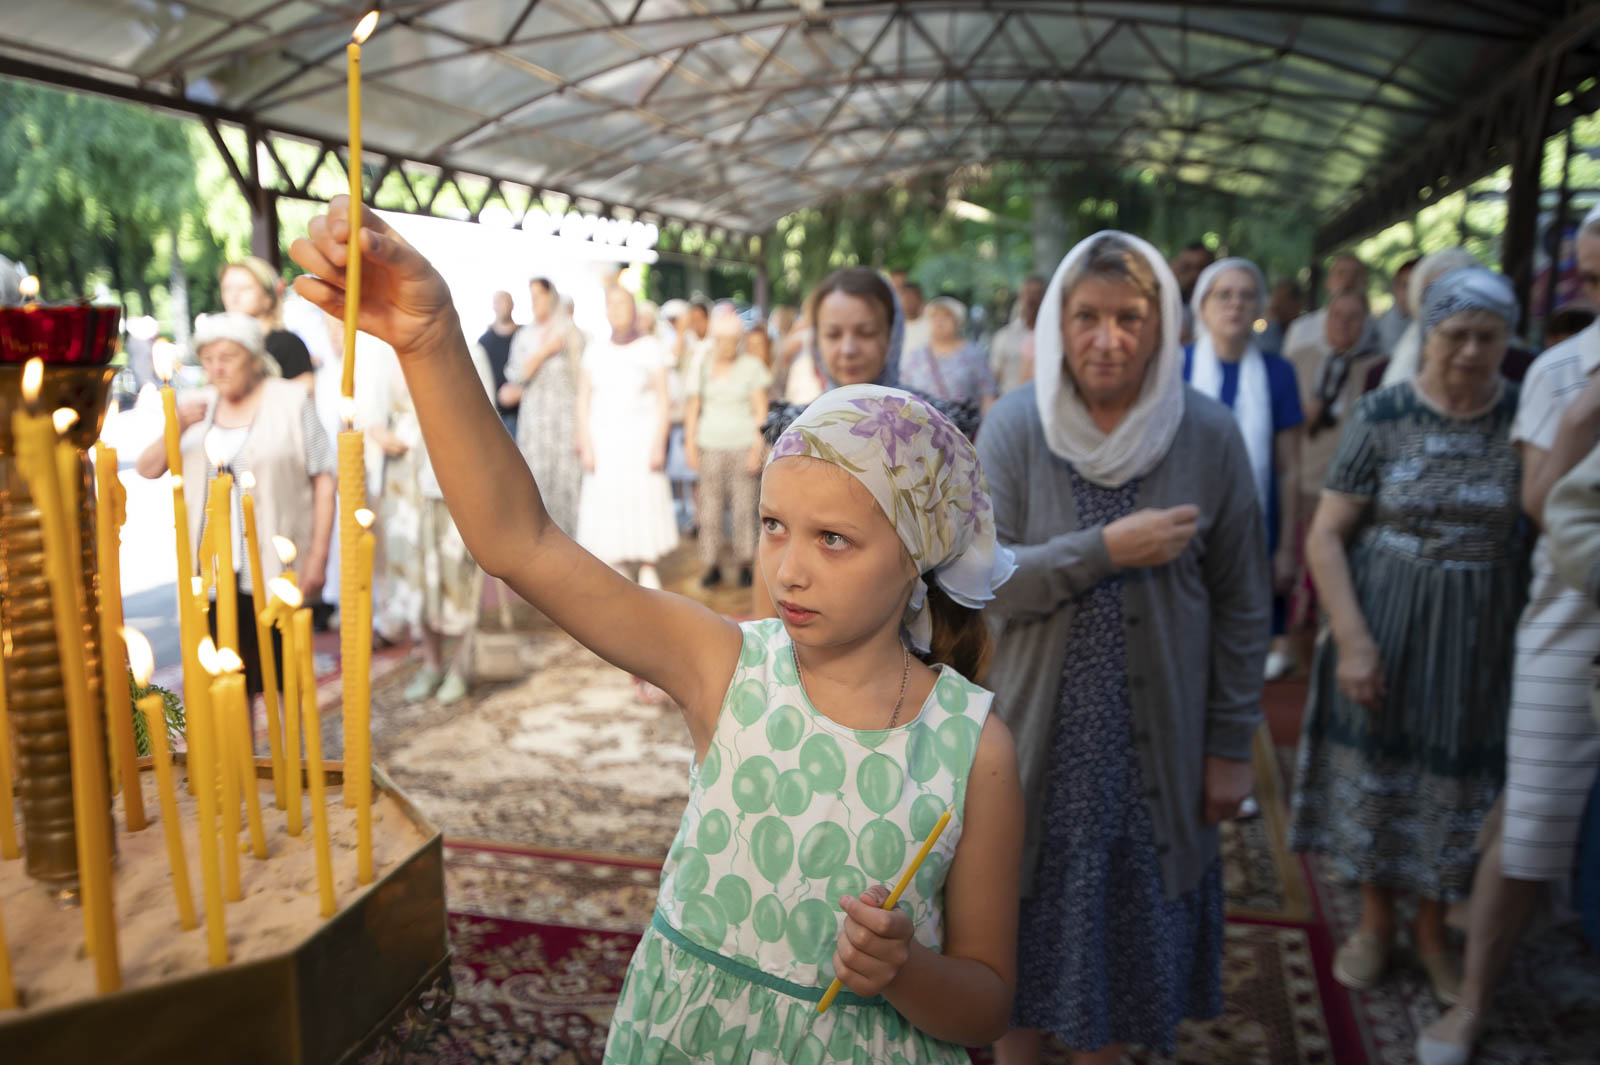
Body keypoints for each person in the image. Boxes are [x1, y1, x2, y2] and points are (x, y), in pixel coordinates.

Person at [288, 199, 1025, 1062]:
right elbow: (518, 542)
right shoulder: (726, 666)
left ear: (916, 555)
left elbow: (986, 1002)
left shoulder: (972, 746)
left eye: (833, 539)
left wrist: (905, 971)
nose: (788, 569)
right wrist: (430, 340)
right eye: (773, 525)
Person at [981, 232, 1267, 1064]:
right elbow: (981, 583)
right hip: (1033, 746)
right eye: (1088, 317)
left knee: (1119, 963)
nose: (1108, 339)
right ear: (1057, 323)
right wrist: (1104, 550)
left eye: (1130, 318)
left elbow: (1244, 602)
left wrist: (1229, 746)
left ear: (1163, 324)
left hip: (1154, 759)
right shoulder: (1016, 426)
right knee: (1013, 945)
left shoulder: (1206, 435)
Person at [1289, 268, 1528, 1007]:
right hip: (1385, 620)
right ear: (1428, 335)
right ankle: (1373, 923)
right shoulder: (1383, 413)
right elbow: (1326, 536)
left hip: (1480, 636)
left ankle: (1430, 931)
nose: (1470, 351)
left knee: (1456, 782)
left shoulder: (1521, 416)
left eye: (1487, 336)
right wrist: (1353, 639)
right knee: (1377, 773)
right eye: (1456, 334)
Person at [1417, 212, 1600, 1065]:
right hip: (1571, 621)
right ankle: (1473, 999)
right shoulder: (1564, 370)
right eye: (1591, 280)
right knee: (1531, 819)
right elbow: (1541, 504)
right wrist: (1585, 415)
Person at [134, 312, 335, 694]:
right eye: (208, 359)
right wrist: (177, 426)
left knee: (284, 676)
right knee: (227, 682)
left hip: (278, 567)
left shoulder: (290, 400)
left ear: (254, 358)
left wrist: (318, 558)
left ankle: (286, 737)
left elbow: (324, 478)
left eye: (227, 357)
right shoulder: (196, 406)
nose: (217, 368)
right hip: (212, 573)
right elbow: (147, 468)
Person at [1182, 258, 1305, 681]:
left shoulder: (1279, 373)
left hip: (1256, 528)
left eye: (1246, 295)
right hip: (1186, 527)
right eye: (1224, 294)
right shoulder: (1175, 367)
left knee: (1241, 658)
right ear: (1202, 305)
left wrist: (1286, 548)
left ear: (1260, 306)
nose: (1235, 304)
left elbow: (1289, 469)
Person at [369, 338, 496, 704]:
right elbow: (373, 414)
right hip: (403, 478)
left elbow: (485, 416)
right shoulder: (384, 353)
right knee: (413, 572)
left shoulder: (468, 349)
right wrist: (380, 434)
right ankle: (431, 662)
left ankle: (461, 665)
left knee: (456, 570)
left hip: (450, 469)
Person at [1286, 289, 1385, 641]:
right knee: (1297, 577)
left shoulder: (1379, 368)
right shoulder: (1299, 359)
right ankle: (1290, 648)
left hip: (1349, 490)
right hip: (1303, 482)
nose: (1344, 324)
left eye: (1353, 317)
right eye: (1336, 316)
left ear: (1366, 323)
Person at [576, 285, 678, 596]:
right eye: (612, 304)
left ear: (633, 309)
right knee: (609, 501)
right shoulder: (594, 350)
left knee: (643, 498)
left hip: (641, 440)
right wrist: (585, 442)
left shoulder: (650, 347)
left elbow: (664, 400)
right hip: (604, 442)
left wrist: (659, 443)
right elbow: (583, 400)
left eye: (623, 304)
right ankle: (617, 566)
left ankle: (647, 565)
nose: (617, 310)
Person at [684, 313, 770, 588]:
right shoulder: (702, 365)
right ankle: (712, 564)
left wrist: (757, 448)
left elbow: (760, 411)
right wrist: (690, 444)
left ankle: (746, 562)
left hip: (743, 445)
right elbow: (693, 408)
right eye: (722, 340)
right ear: (714, 339)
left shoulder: (752, 366)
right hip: (710, 445)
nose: (728, 346)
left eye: (733, 340)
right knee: (709, 509)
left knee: (745, 508)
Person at [502, 277, 582, 535]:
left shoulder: (569, 331)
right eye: (532, 296)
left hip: (565, 422)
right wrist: (544, 351)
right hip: (535, 424)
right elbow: (517, 374)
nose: (535, 301)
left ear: (551, 296)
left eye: (539, 295)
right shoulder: (524, 336)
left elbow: (582, 378)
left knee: (566, 481)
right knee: (536, 481)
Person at [1378, 247, 1479, 388]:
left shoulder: (1506, 360)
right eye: (1432, 293)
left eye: (1454, 292)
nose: (1443, 303)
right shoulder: (1388, 367)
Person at [219, 257, 315, 391]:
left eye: (244, 288)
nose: (234, 295)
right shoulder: (221, 347)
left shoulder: (287, 343)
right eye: (227, 288)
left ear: (268, 296)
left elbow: (305, 393)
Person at [901, 296, 999, 414]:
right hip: (923, 422)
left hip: (962, 422)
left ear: (958, 322)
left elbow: (987, 394)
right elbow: (903, 394)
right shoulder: (915, 356)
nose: (939, 321)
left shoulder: (974, 355)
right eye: (934, 316)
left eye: (946, 316)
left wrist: (987, 422)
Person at [1283, 253, 1373, 360]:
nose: (1348, 280)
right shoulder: (1301, 328)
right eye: (1341, 273)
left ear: (1366, 282)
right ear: (1328, 282)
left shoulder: (1376, 330)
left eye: (1356, 274)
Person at [990, 277, 1046, 396]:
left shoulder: (1057, 337)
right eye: (1028, 293)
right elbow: (994, 378)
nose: (1032, 299)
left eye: (1037, 293)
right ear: (1020, 297)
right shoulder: (1004, 337)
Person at [478, 290, 519, 436]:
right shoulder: (484, 342)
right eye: (498, 302)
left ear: (512, 304)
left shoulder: (524, 335)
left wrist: (520, 392)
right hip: (496, 418)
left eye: (504, 301)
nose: (501, 306)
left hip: (524, 416)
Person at [1374, 257, 1421, 354]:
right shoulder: (1380, 330)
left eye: (1417, 285)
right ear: (1395, 289)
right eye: (1406, 285)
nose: (1411, 292)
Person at [1256, 280, 1304, 356]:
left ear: (1296, 304)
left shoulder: (1304, 332)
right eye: (1276, 299)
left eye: (1282, 300)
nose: (1276, 305)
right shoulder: (1270, 330)